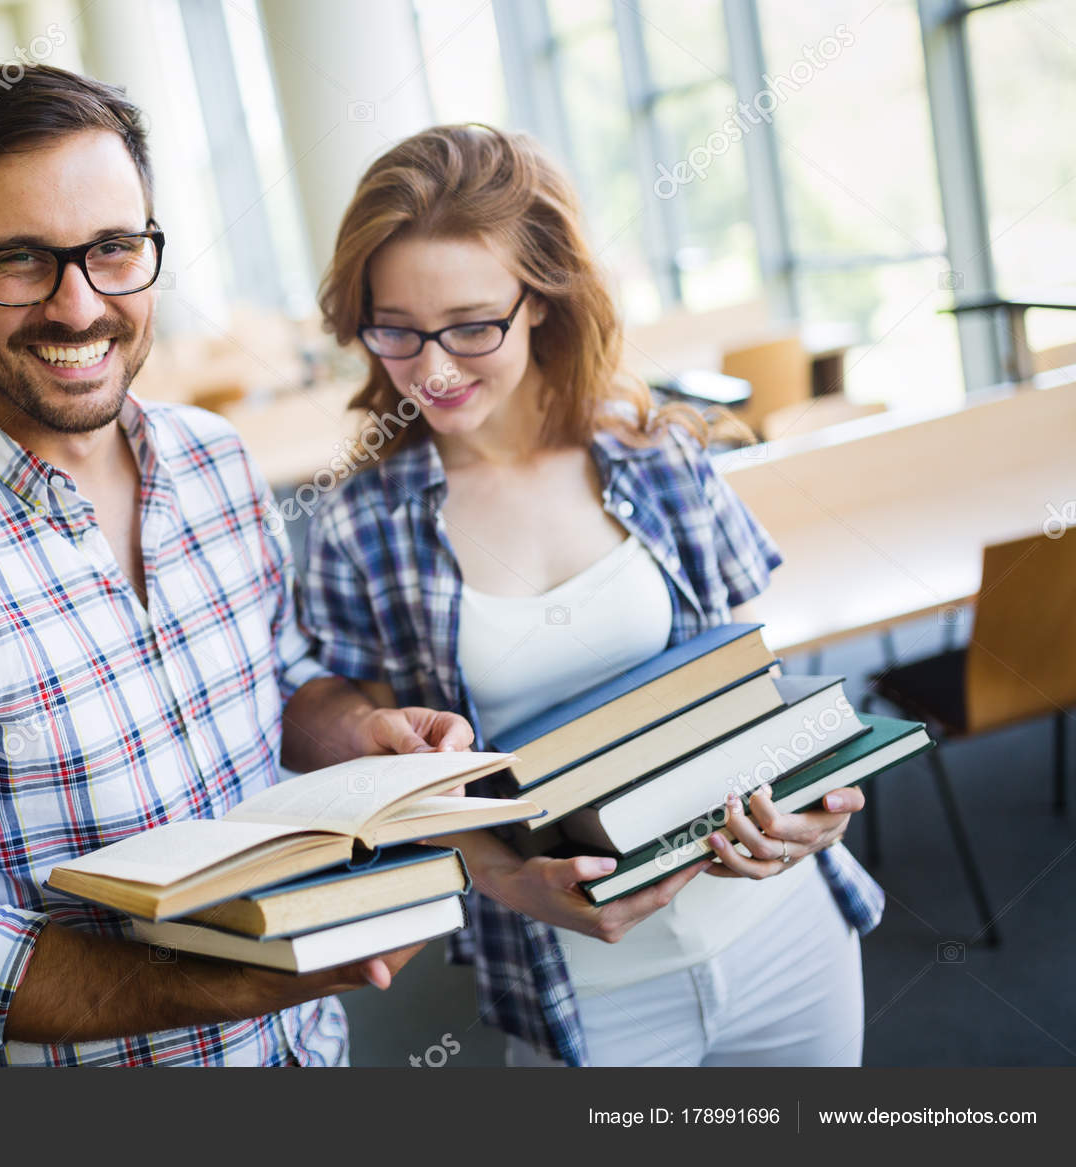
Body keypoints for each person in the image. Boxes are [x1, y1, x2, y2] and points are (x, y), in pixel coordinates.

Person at [0, 66, 471, 1067]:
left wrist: (364, 731)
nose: (76, 306)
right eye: (21, 259)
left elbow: (273, 688)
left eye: (112, 250)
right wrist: (246, 979)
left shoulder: (214, 462)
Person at [299, 124, 883, 1067]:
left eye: (473, 324)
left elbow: (750, 685)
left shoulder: (657, 456)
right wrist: (493, 875)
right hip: (586, 988)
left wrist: (815, 795)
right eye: (398, 328)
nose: (434, 368)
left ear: (542, 299)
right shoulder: (360, 524)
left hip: (785, 934)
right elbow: (354, 770)